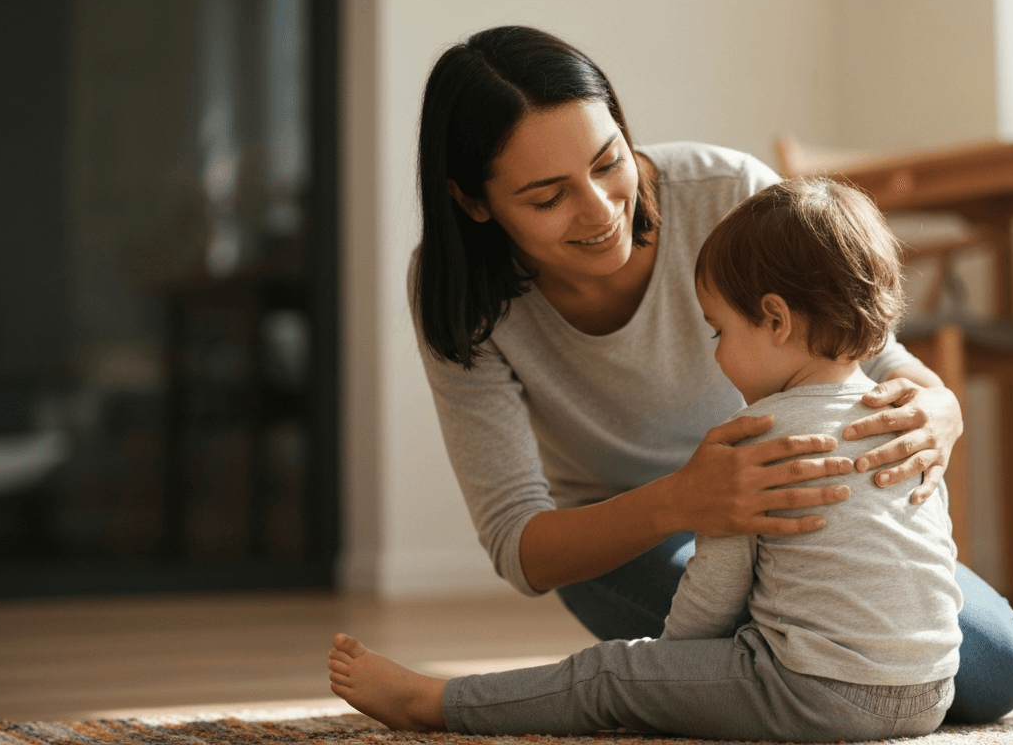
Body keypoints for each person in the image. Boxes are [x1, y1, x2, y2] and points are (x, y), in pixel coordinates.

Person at [405, 25, 1013, 723]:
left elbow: (876, 355)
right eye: (548, 198)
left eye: (608, 161)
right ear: (473, 202)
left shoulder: (727, 192)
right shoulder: (460, 297)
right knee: (779, 660)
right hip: (629, 535)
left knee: (996, 667)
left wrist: (940, 403)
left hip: (790, 503)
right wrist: (683, 502)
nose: (600, 209)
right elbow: (519, 546)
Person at [328, 178, 963, 740]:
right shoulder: (904, 419)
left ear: (774, 320)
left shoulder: (753, 437)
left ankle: (434, 702)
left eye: (720, 332)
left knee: (610, 677)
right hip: (933, 689)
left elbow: (713, 600)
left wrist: (669, 672)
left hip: (811, 691)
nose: (716, 355)